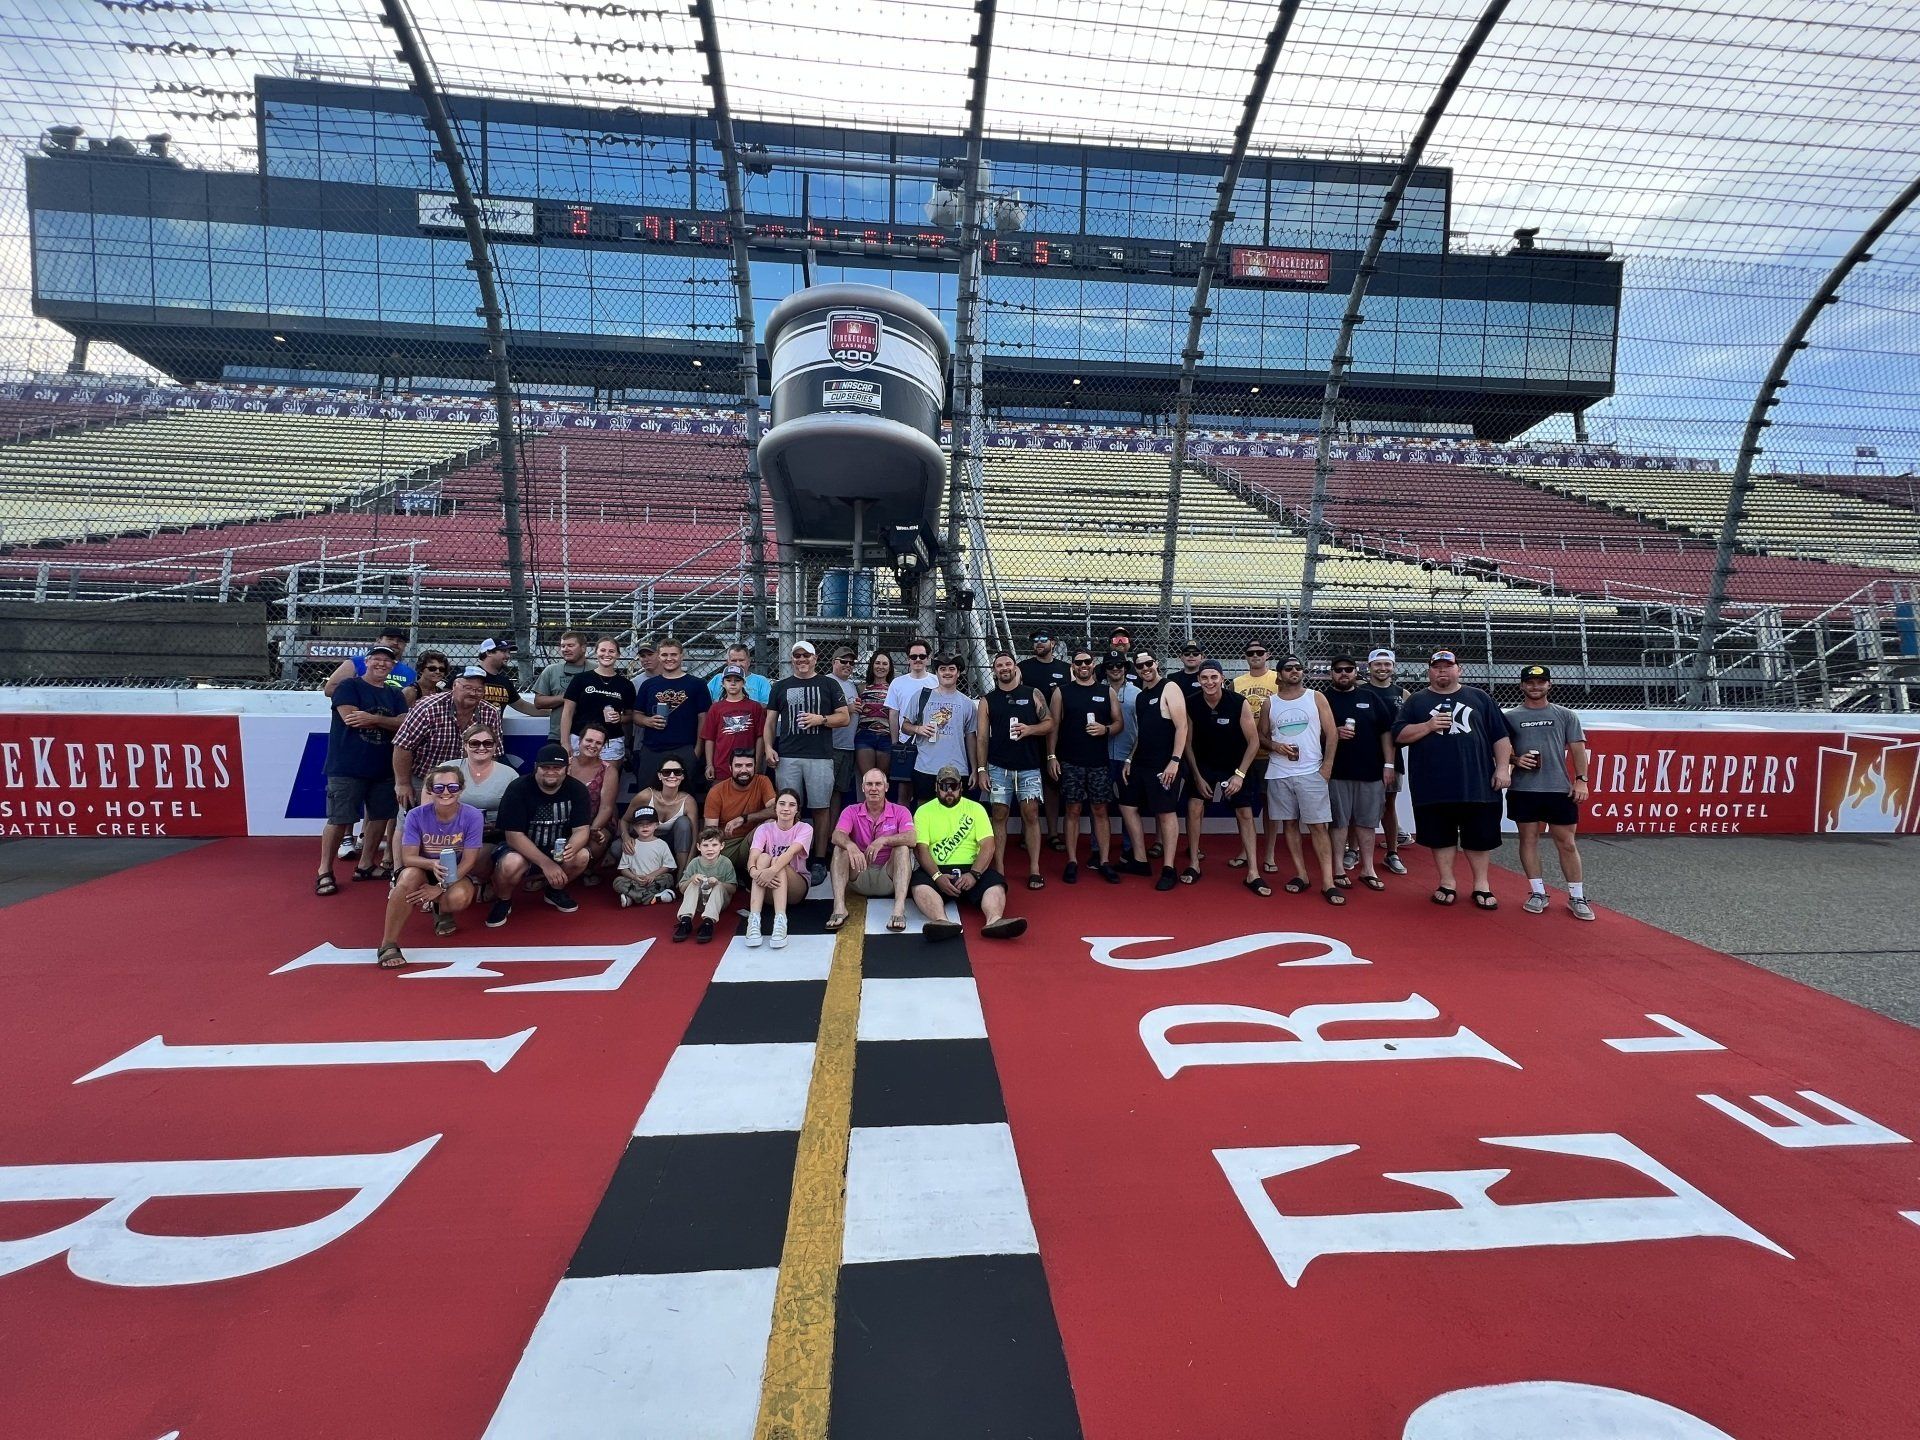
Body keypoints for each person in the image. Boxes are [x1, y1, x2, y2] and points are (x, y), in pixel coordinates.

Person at [1393, 649, 1514, 910]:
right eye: (1437, 667)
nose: (1442, 671)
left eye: (1448, 666)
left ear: (1460, 669)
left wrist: (1503, 768)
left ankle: (1482, 885)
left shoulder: (1479, 697)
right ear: (1429, 671)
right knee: (1441, 837)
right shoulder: (1416, 701)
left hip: (1477, 781)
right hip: (1432, 783)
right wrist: (1428, 726)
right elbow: (1399, 734)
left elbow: (1500, 736)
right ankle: (1447, 882)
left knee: (1479, 837)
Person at [1504, 664, 1595, 921]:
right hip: (1524, 788)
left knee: (1566, 843)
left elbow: (1578, 749)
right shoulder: (1510, 717)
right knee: (1528, 840)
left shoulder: (1566, 715)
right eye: (1530, 683)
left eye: (1541, 682)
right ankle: (1537, 892)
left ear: (1549, 685)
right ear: (1522, 686)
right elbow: (1499, 750)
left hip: (1558, 789)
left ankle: (1577, 896)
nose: (1536, 687)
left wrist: (1581, 781)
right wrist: (1515, 759)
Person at [316, 642, 407, 895]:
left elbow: (403, 723)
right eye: (376, 659)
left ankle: (366, 865)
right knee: (339, 819)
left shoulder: (395, 694)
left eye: (387, 661)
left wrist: (375, 718)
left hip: (383, 767)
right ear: (366, 662)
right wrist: (387, 722)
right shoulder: (349, 686)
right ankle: (324, 870)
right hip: (346, 766)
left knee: (378, 818)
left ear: (393, 666)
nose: (382, 663)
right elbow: (351, 718)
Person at [376, 764, 483, 969]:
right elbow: (408, 857)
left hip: (454, 871)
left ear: (461, 789)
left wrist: (440, 887)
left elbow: (469, 861)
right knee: (406, 880)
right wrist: (432, 863)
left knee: (459, 898)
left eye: (452, 787)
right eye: (439, 787)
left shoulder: (473, 816)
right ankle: (388, 943)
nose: (445, 792)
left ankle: (441, 909)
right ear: (429, 790)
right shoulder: (416, 815)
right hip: (422, 868)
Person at [765, 640, 851, 887]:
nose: (802, 660)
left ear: (815, 658)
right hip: (788, 756)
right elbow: (770, 722)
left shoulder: (828, 684)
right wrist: (770, 747)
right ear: (792, 659)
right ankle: (791, 858)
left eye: (806, 656)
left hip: (820, 757)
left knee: (821, 808)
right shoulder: (780, 686)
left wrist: (820, 719)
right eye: (797, 656)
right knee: (788, 809)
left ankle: (819, 860)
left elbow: (844, 717)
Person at [909, 765, 1026, 942]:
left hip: (971, 868)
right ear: (936, 787)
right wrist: (937, 876)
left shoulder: (976, 809)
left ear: (961, 787)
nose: (949, 791)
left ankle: (994, 921)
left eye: (954, 786)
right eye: (944, 786)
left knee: (995, 882)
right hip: (937, 870)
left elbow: (988, 845)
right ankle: (941, 921)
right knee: (918, 883)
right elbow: (920, 849)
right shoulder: (923, 811)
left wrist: (974, 874)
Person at [1263, 655, 1343, 904]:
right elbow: (1262, 736)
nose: (1295, 671)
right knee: (1289, 824)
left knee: (1318, 826)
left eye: (1298, 667)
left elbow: (1332, 734)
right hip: (1279, 772)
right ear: (1280, 674)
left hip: (1311, 772)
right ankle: (1302, 874)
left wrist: (1327, 766)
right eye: (1289, 668)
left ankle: (1328, 882)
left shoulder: (1315, 697)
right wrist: (1275, 746)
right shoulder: (1270, 702)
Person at [487, 743, 594, 927]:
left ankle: (554, 891)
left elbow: (582, 830)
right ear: (536, 766)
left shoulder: (577, 790)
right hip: (521, 849)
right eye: (546, 767)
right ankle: (503, 900)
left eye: (557, 767)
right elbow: (513, 835)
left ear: (567, 768)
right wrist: (547, 864)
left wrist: (572, 848)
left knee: (582, 855)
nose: (551, 772)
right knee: (511, 862)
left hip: (557, 848)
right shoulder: (518, 788)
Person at [978, 649, 1055, 892]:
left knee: (1030, 814)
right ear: (994, 671)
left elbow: (1049, 723)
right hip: (998, 767)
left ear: (1015, 668)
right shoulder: (987, 700)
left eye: (1008, 664)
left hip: (1029, 767)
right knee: (999, 815)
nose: (1004, 668)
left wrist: (1030, 730)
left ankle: (1034, 869)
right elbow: (982, 738)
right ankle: (999, 870)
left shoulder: (1032, 693)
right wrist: (981, 769)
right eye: (999, 665)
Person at [1046, 647, 1123, 884]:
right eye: (1078, 662)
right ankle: (1072, 861)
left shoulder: (1106, 691)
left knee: (1100, 811)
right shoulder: (1062, 692)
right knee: (1073, 810)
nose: (1083, 666)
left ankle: (1105, 861)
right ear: (1073, 666)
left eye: (1087, 661)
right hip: (1070, 762)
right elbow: (1054, 725)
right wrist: (1051, 756)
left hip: (1099, 762)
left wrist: (1106, 729)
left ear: (1093, 663)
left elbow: (1119, 722)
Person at [1185, 661, 1263, 889]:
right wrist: (1197, 776)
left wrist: (1239, 775)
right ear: (1199, 680)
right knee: (1194, 807)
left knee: (1245, 813)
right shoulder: (1191, 703)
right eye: (1204, 678)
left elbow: (1254, 741)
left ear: (1222, 678)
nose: (1209, 682)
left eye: (1213, 677)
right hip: (1204, 764)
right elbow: (1187, 743)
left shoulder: (1238, 702)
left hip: (1234, 764)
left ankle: (1253, 872)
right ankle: (1193, 863)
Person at [1323, 654, 1397, 892]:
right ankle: (1338, 869)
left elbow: (1386, 733)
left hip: (1370, 771)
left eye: (1348, 669)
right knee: (1338, 822)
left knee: (1367, 822)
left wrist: (1389, 765)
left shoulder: (1370, 697)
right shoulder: (1322, 699)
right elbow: (1314, 732)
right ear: (1331, 673)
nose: (1343, 673)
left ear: (1356, 672)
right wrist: (1333, 732)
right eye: (1338, 670)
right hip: (1336, 771)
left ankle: (1368, 869)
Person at [1124, 650, 1191, 892]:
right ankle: (1141, 860)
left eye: (1149, 663)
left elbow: (1182, 726)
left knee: (1165, 812)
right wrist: (1130, 759)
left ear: (1157, 664)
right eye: (1140, 666)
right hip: (1141, 762)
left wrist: (1174, 760)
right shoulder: (1142, 697)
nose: (1145, 668)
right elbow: (1143, 733)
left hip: (1164, 763)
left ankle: (1169, 868)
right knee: (1127, 806)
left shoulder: (1169, 687)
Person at [392, 666, 502, 807]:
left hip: (466, 783)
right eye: (467, 688)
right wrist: (403, 784)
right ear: (455, 686)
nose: (473, 693)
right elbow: (403, 746)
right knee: (415, 824)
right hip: (425, 778)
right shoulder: (427, 708)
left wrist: (481, 784)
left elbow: (493, 754)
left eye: (479, 690)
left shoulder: (491, 712)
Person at [827, 767, 916, 932]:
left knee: (902, 848)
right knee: (840, 849)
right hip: (859, 874)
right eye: (869, 784)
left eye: (878, 784)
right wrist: (850, 845)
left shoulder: (901, 811)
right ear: (863, 788)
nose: (873, 788)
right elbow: (836, 835)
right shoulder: (851, 810)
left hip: (888, 876)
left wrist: (884, 840)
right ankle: (839, 907)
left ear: (886, 787)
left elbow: (912, 839)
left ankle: (899, 909)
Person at [632, 638, 711, 790]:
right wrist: (647, 721)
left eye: (674, 654)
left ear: (682, 655)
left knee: (684, 795)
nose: (669, 659)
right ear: (659, 657)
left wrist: (697, 751)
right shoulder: (648, 685)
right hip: (652, 749)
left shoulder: (697, 684)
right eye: (665, 655)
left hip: (685, 748)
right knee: (648, 795)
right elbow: (636, 715)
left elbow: (704, 719)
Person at [1019, 630, 1071, 851]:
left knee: (1052, 785)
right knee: (1025, 787)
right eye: (1035, 640)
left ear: (1053, 642)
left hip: (1057, 736)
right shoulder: (1023, 668)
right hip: (1029, 735)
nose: (1038, 643)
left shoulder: (1065, 669)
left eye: (1043, 640)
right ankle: (1025, 834)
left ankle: (1052, 833)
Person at [1232, 641, 1282, 874]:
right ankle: (1245, 850)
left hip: (1270, 752)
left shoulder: (1277, 679)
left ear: (1267, 655)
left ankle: (1270, 854)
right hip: (1243, 752)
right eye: (1250, 653)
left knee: (1269, 804)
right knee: (1243, 805)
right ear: (1246, 657)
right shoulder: (1238, 682)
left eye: (1259, 652)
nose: (1255, 656)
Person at [904, 655, 978, 805]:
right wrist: (918, 728)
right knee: (924, 812)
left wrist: (975, 769)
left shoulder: (967, 703)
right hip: (926, 767)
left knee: (954, 813)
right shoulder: (921, 696)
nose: (947, 673)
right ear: (936, 673)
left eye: (952, 669)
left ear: (958, 673)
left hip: (957, 769)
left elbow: (971, 738)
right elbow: (905, 726)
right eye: (942, 669)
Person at [745, 788, 812, 950]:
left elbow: (790, 853)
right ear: (775, 808)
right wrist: (754, 872)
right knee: (762, 858)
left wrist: (771, 870)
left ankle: (780, 920)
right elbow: (752, 857)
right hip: (769, 885)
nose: (786, 808)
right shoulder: (764, 829)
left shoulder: (804, 828)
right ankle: (754, 920)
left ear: (797, 810)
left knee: (777, 861)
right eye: (782, 804)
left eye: (791, 805)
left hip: (796, 886)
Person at [453, 719, 515, 893]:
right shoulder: (448, 769)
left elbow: (518, 814)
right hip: (453, 833)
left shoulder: (509, 774)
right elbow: (429, 811)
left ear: (496, 746)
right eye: (474, 743)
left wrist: (499, 825)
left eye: (488, 743)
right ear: (465, 745)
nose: (482, 747)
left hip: (492, 834)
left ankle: (485, 879)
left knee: (478, 854)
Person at [1365, 648, 1412, 875]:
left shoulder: (1403, 694)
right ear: (1369, 666)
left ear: (1393, 667)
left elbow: (1412, 726)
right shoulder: (1360, 690)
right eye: (1378, 664)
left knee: (1388, 806)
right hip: (1362, 757)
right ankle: (1353, 850)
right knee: (1359, 807)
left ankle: (1392, 852)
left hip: (1393, 759)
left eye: (1387, 664)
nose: (1382, 668)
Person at [1104, 651, 1151, 875]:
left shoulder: (1138, 694)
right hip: (1102, 756)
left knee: (1129, 805)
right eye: (1111, 665)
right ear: (1105, 668)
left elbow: (1143, 729)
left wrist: (1132, 756)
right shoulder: (1097, 691)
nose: (1116, 669)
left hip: (1127, 758)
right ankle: (1097, 849)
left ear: (1125, 668)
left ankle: (1129, 848)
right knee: (1099, 805)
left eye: (1120, 665)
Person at [558, 637, 634, 764]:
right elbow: (567, 712)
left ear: (618, 655)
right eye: (603, 650)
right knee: (578, 780)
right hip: (580, 738)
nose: (607, 654)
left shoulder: (626, 685)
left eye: (611, 651)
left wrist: (620, 718)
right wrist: (565, 742)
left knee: (609, 779)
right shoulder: (581, 679)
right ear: (596, 652)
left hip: (612, 741)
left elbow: (630, 716)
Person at [704, 749, 777, 873]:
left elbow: (777, 811)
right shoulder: (717, 791)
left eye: (749, 765)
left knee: (771, 824)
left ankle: (757, 873)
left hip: (755, 842)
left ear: (755, 767)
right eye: (738, 766)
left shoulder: (763, 781)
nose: (744, 770)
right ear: (730, 768)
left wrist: (744, 818)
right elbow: (710, 832)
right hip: (728, 845)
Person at [884, 638, 938, 805]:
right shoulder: (898, 683)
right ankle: (904, 829)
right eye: (913, 656)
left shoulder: (937, 681)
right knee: (904, 790)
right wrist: (895, 742)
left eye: (922, 656)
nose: (918, 660)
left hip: (931, 743)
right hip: (906, 742)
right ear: (908, 659)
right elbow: (893, 714)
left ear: (928, 658)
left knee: (928, 792)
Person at [566, 723, 623, 881]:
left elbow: (606, 808)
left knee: (598, 840)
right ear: (579, 741)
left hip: (595, 821)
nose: (592, 745)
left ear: (603, 746)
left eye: (598, 743)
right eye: (589, 740)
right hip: (566, 820)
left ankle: (587, 868)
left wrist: (592, 829)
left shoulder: (609, 770)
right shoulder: (566, 765)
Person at [622, 755, 698, 866]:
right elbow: (624, 820)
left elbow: (695, 838)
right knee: (615, 848)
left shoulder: (689, 802)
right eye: (666, 772)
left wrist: (688, 869)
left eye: (677, 772)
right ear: (659, 776)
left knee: (684, 823)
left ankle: (680, 873)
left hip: (672, 844)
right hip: (644, 842)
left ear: (682, 776)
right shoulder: (645, 796)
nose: (672, 776)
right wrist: (626, 838)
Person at [700, 665, 766, 783]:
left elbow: (760, 737)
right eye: (728, 680)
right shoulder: (715, 708)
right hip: (721, 766)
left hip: (747, 766)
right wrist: (709, 765)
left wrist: (758, 762)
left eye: (737, 680)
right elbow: (709, 738)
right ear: (723, 683)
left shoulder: (755, 707)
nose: (733, 683)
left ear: (744, 683)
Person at [673, 828, 738, 944]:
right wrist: (692, 879)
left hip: (719, 902)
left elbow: (733, 888)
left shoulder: (726, 862)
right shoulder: (694, 863)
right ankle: (685, 921)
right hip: (698, 903)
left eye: (714, 845)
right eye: (706, 845)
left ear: (722, 846)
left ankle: (708, 922)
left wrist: (718, 883)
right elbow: (682, 889)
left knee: (719, 887)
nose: (710, 849)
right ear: (699, 847)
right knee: (693, 883)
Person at [321, 625, 416, 698]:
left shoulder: (410, 672)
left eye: (400, 641)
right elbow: (330, 689)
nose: (395, 643)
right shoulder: (356, 662)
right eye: (390, 639)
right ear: (379, 640)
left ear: (405, 645)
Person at [614, 805, 678, 908]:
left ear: (656, 825)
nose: (645, 827)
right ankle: (655, 897)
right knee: (618, 882)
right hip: (635, 881)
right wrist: (634, 877)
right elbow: (623, 868)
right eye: (640, 824)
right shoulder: (631, 844)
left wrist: (652, 875)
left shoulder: (661, 844)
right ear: (634, 827)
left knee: (668, 878)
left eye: (649, 824)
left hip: (654, 880)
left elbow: (668, 866)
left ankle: (633, 896)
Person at [532, 630, 590, 741]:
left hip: (590, 737)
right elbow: (538, 702)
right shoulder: (551, 670)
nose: (565, 649)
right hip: (557, 736)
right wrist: (567, 697)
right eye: (563, 646)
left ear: (583, 648)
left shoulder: (596, 670)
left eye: (570, 645)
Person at [854, 651, 897, 788]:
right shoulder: (861, 688)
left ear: (890, 668)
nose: (881, 666)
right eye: (877, 663)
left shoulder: (894, 689)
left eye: (885, 664)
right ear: (872, 665)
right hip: (864, 738)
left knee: (881, 783)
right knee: (868, 781)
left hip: (886, 738)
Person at [829, 645, 862, 807]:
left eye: (851, 663)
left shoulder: (851, 685)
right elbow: (820, 714)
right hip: (831, 746)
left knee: (838, 793)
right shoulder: (826, 682)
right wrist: (848, 710)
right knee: (825, 793)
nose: (848, 665)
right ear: (834, 662)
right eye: (843, 661)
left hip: (848, 747)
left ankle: (832, 831)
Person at [475, 637, 541, 718]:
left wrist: (554, 712)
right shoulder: (470, 677)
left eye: (509, 652)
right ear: (489, 652)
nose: (508, 656)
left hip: (494, 729)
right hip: (470, 729)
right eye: (503, 651)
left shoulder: (505, 682)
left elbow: (522, 706)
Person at [707, 640, 772, 704]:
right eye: (734, 660)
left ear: (749, 662)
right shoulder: (717, 679)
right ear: (727, 662)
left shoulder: (761, 681)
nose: (738, 664)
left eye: (741, 660)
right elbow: (705, 702)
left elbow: (767, 706)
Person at [1172, 641, 1209, 706]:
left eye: (1195, 653)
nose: (1191, 656)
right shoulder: (1172, 678)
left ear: (1202, 657)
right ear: (1181, 657)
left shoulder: (1208, 678)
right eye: (1187, 653)